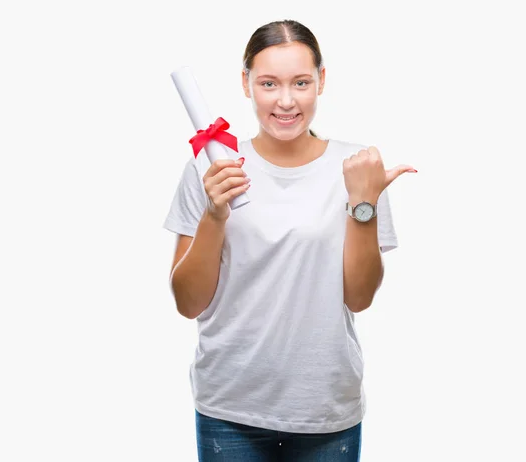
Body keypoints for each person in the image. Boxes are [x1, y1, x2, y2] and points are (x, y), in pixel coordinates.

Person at [163, 19, 416, 462]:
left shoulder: (356, 169)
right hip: (229, 405)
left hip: (324, 407)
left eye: (301, 82)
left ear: (321, 80)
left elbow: (359, 298)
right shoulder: (211, 170)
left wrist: (364, 203)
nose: (285, 101)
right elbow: (188, 303)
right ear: (246, 84)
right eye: (268, 83)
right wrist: (215, 213)